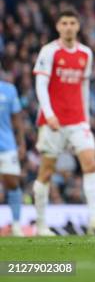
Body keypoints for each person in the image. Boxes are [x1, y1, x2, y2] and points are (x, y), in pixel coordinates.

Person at [32, 10, 95, 236]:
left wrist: (85, 119)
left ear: (78, 26)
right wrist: (48, 114)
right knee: (46, 172)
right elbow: (40, 85)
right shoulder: (49, 51)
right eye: (64, 23)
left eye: (72, 23)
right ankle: (40, 225)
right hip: (52, 120)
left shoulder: (86, 53)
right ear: (58, 26)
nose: (68, 27)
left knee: (90, 164)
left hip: (78, 120)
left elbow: (84, 88)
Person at [0, 74, 26, 236]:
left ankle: (16, 225)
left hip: (7, 145)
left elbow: (17, 118)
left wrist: (21, 143)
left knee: (12, 183)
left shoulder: (9, 90)